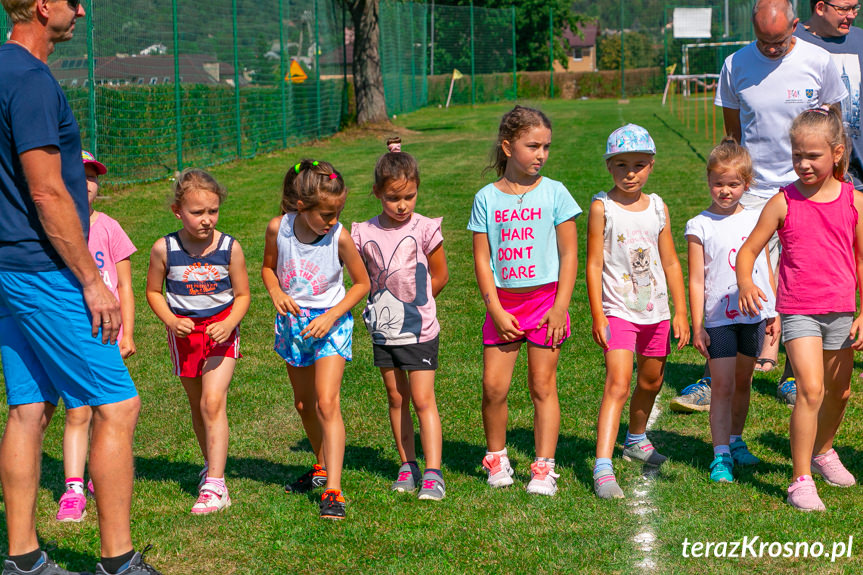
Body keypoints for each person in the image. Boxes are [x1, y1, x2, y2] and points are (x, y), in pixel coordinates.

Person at [0, 0, 160, 573]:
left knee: (29, 407)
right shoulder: (31, 79)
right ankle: (118, 560)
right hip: (44, 271)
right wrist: (92, 280)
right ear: (43, 6)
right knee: (118, 404)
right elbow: (46, 192)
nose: (84, 12)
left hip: (9, 268)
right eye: (74, 2)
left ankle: (21, 559)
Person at [674, 0, 848, 412]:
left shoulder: (820, 61)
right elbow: (733, 133)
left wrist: (833, 178)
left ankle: (792, 374)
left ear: (796, 26)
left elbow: (834, 124)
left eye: (780, 41)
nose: (771, 49)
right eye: (763, 41)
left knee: (802, 277)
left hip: (805, 187)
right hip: (752, 190)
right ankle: (715, 372)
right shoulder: (735, 64)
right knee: (732, 275)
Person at [736, 106, 863, 511]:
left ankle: (824, 452)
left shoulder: (854, 201)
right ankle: (800, 479)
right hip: (799, 310)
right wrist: (745, 282)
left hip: (843, 310)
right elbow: (748, 251)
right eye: (797, 155)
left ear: (838, 153)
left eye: (813, 156)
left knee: (839, 392)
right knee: (810, 389)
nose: (803, 164)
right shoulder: (782, 201)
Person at [468, 105, 580, 496]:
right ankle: (496, 457)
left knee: (542, 386)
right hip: (503, 307)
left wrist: (560, 307)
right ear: (507, 146)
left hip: (547, 304)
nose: (541, 155)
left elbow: (569, 255)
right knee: (493, 388)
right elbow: (482, 259)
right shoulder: (485, 198)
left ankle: (543, 466)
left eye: (546, 147)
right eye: (533, 146)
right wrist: (494, 309)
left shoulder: (556, 193)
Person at [263, 159, 370, 519]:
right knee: (304, 405)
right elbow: (267, 267)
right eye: (326, 213)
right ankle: (321, 466)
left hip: (331, 323)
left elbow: (362, 284)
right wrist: (275, 290)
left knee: (327, 403)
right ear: (301, 206)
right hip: (293, 325)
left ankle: (334, 490)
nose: (333, 220)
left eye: (338, 211)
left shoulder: (339, 237)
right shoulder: (278, 228)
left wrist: (331, 316)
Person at [587, 124, 690, 499]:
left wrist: (680, 312)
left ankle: (635, 439)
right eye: (621, 165)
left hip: (657, 312)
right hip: (618, 311)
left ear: (651, 166)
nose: (630, 173)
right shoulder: (603, 207)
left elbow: (672, 262)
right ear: (609, 166)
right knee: (617, 383)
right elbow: (593, 264)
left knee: (651, 381)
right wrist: (599, 315)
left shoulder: (659, 207)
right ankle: (602, 465)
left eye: (639, 165)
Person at [145, 168, 250, 515]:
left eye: (213, 211)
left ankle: (217, 485)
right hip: (184, 338)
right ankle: (210, 465)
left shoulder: (229, 247)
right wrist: (172, 320)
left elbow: (243, 295)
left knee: (212, 402)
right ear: (178, 211)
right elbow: (152, 292)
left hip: (221, 334)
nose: (207, 220)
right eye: (197, 212)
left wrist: (230, 322)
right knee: (197, 406)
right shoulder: (164, 248)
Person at [351, 138, 449, 500]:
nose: (402, 205)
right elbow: (363, 280)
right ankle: (407, 465)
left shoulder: (423, 229)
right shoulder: (363, 233)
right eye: (394, 198)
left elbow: (439, 275)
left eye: (409, 196)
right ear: (377, 193)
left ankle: (434, 473)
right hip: (384, 334)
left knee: (423, 398)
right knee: (396, 397)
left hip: (420, 330)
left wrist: (416, 308)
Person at [686, 139, 778, 483]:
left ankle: (737, 441)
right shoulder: (700, 225)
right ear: (708, 180)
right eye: (718, 183)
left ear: (747, 184)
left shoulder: (757, 220)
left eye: (734, 184)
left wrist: (772, 310)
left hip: (752, 317)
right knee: (722, 386)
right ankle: (721, 454)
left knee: (744, 382)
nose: (725, 191)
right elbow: (696, 280)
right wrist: (698, 325)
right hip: (718, 320)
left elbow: (764, 266)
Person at [56, 151, 137, 524]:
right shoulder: (54, 229)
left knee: (112, 409)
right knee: (77, 411)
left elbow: (124, 285)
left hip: (107, 332)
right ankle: (73, 489)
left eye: (93, 177)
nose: (87, 184)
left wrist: (128, 332)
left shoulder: (108, 227)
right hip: (71, 330)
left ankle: (99, 473)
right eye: (79, 176)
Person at [796, 0, 863, 190]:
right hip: (808, 178)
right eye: (844, 9)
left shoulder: (860, 40)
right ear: (820, 7)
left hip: (858, 177)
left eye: (855, 8)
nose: (851, 15)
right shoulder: (792, 42)